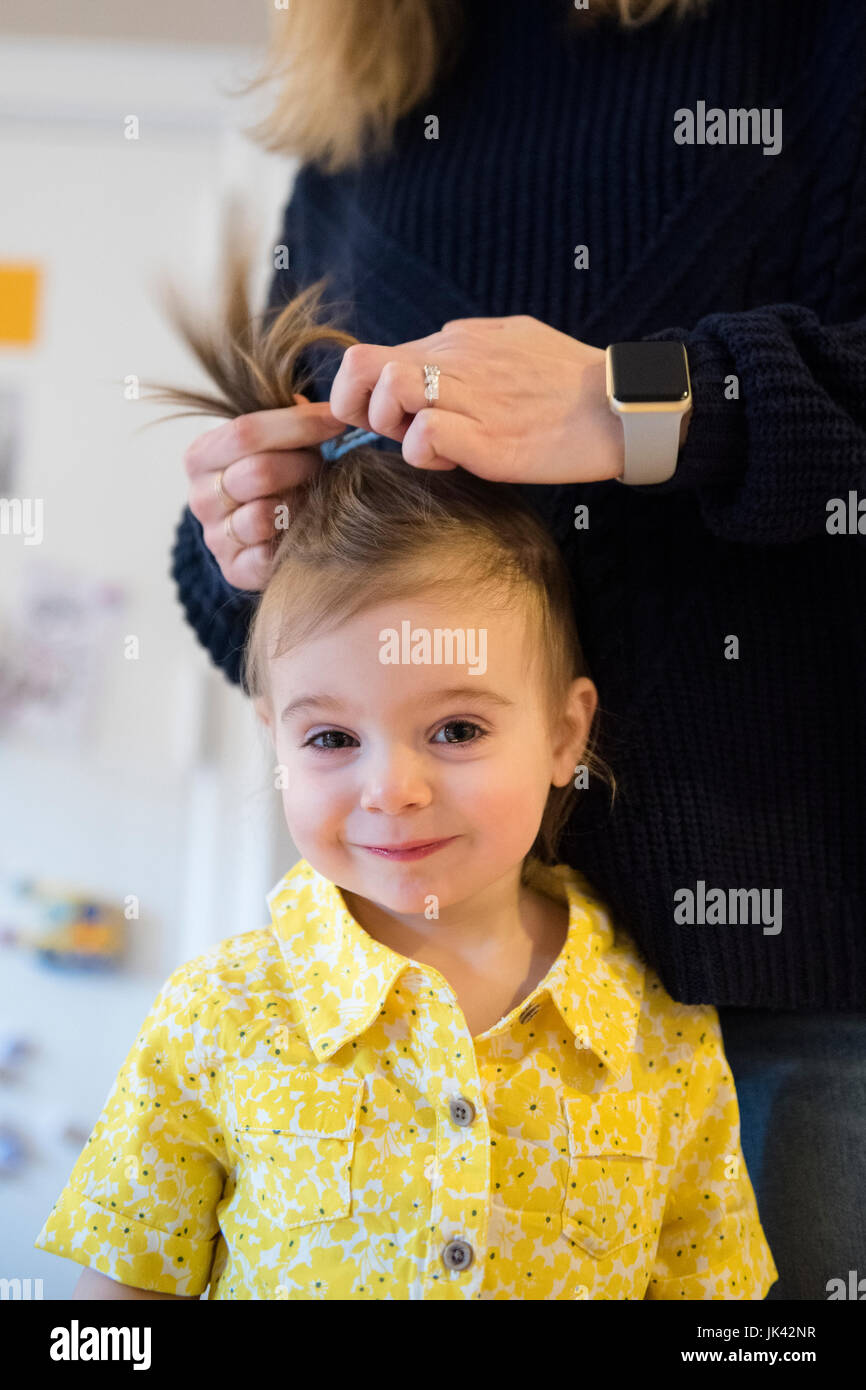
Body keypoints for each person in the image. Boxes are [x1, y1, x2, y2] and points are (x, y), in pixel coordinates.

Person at [174, 0, 866, 1298]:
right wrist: (245, 546)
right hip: (405, 1002)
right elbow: (277, 627)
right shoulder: (366, 97)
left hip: (810, 1010)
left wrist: (645, 406)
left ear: (572, 729)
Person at [34, 255, 777, 1299]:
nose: (391, 790)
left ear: (567, 734)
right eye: (331, 740)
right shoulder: (221, 1013)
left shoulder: (659, 1032)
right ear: (274, 739)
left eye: (457, 727)